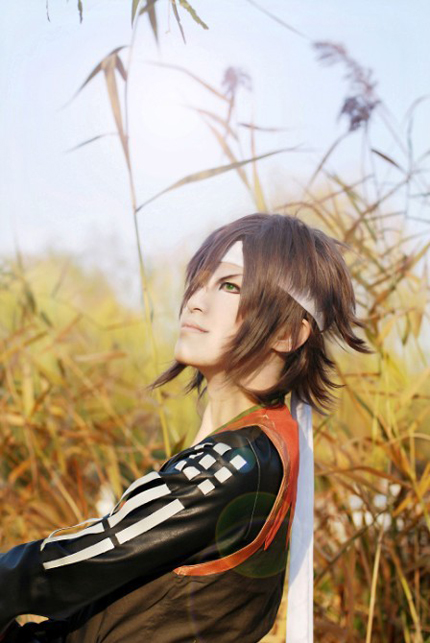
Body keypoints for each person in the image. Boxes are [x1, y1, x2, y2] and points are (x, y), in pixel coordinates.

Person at [0, 213, 371, 642]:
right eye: (200, 281)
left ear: (287, 332)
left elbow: (81, 561)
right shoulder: (252, 447)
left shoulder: (241, 461)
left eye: (230, 286)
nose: (195, 300)